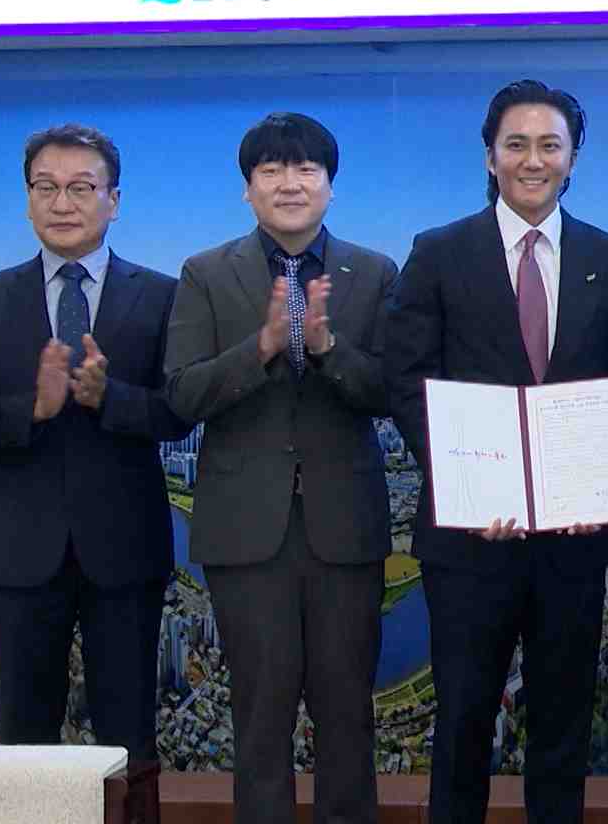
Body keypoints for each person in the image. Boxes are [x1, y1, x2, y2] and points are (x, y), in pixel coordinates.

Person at [384, 79, 608, 824]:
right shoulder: (439, 253)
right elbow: (405, 378)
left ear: (572, 159)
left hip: (573, 541)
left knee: (563, 726)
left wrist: (595, 477)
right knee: (463, 724)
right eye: (517, 144)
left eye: (549, 145)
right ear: (490, 156)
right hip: (470, 541)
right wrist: (464, 481)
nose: (533, 160)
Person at [163, 113, 398, 824]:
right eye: (271, 170)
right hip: (245, 534)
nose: (289, 183)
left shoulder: (374, 273)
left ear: (330, 186)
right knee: (259, 721)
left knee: (347, 717)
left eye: (305, 169)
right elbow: (180, 397)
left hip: (345, 531)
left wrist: (327, 349)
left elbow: (393, 392)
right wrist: (261, 347)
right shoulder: (206, 274)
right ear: (248, 189)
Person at [0, 123, 191, 773]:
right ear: (27, 199)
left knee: (129, 744)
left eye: (81, 188)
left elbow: (180, 411)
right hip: (20, 554)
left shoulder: (162, 296)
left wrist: (110, 397)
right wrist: (33, 408)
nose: (62, 203)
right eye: (45, 187)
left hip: (125, 550)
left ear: (114, 200)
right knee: (24, 746)